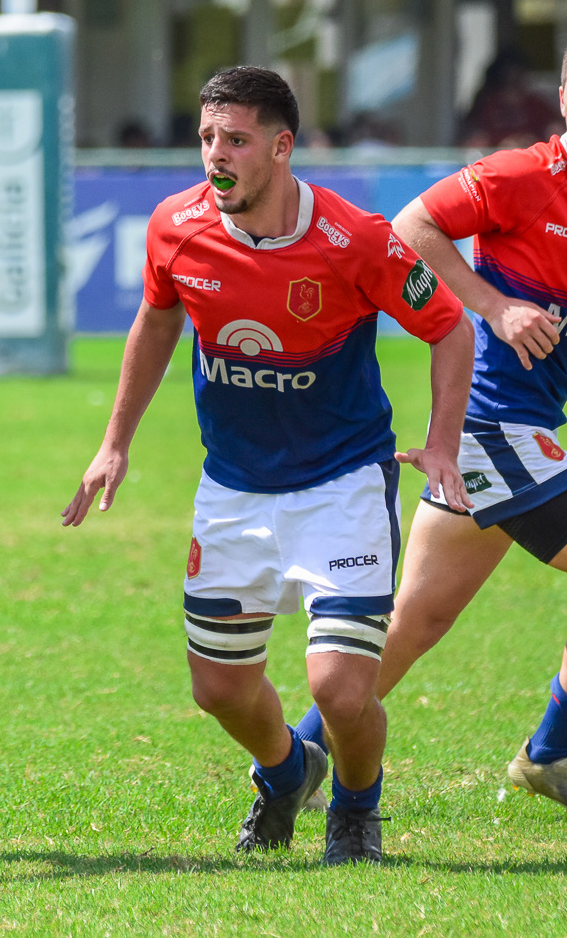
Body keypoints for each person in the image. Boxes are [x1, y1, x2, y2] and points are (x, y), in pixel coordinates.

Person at [62, 66, 474, 865]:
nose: (216, 155)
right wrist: (115, 441)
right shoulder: (175, 227)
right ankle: (288, 772)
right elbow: (155, 323)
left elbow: (450, 328)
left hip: (343, 482)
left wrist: (443, 443)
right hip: (234, 487)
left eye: (237, 140)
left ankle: (356, 810)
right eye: (208, 137)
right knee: (216, 688)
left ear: (281, 148)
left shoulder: (355, 238)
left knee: (341, 689)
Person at [297, 50, 567, 805]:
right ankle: (551, 751)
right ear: (566, 94)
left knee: (414, 621)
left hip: (521, 436)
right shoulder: (521, 174)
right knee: (412, 619)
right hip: (495, 430)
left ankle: (299, 762)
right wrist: (495, 305)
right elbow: (412, 224)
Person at [460, 47, 562, 149]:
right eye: (509, 78)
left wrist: (533, 141)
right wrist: (501, 143)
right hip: (495, 160)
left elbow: (556, 131)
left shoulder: (536, 105)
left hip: (532, 159)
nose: (514, 80)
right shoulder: (486, 106)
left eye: (519, 75)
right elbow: (471, 141)